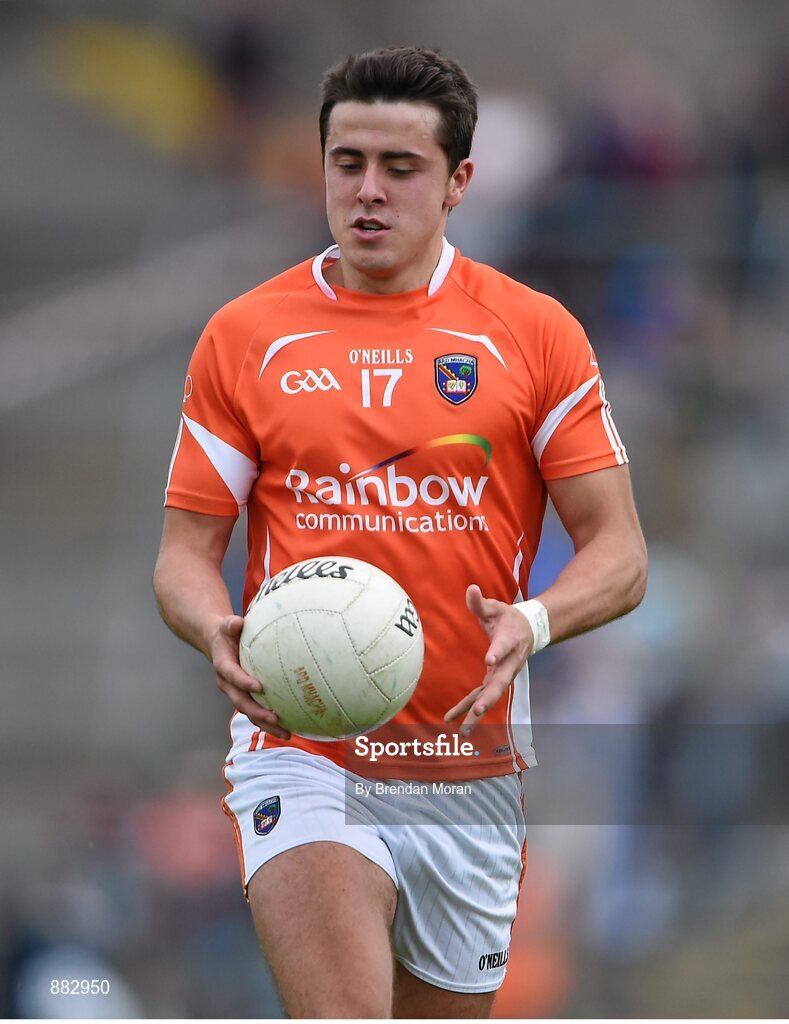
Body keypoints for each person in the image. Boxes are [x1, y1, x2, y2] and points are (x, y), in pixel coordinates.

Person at [153, 46, 648, 1019]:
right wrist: (212, 623)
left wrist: (535, 622)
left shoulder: (533, 333)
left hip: (469, 770)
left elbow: (620, 552)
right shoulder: (248, 335)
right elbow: (183, 553)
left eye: (401, 167)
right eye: (347, 163)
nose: (367, 191)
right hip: (306, 750)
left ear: (460, 181)